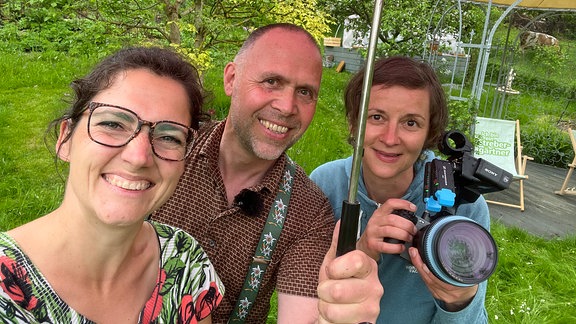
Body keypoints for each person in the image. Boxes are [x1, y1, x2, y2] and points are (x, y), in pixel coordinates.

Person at [154, 23, 382, 323]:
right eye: (272, 81)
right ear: (232, 79)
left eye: (304, 92)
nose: (287, 106)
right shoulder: (163, 152)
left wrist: (333, 317)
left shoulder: (309, 212)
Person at [0, 47, 225, 323]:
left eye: (169, 137)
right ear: (65, 139)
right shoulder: (6, 290)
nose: (138, 156)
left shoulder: (184, 261)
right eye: (113, 123)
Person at [310, 56, 490, 323]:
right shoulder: (326, 185)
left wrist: (458, 301)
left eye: (410, 123)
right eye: (377, 117)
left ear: (430, 133)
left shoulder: (464, 205)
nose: (390, 138)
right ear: (353, 123)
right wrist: (363, 251)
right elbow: (309, 299)